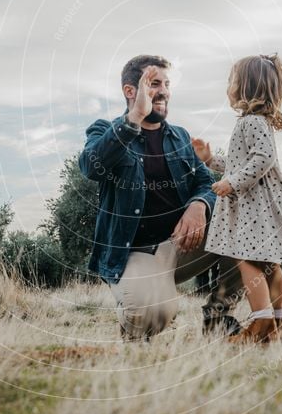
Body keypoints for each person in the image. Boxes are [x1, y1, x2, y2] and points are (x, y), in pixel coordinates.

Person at [79, 54, 243, 341]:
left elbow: (205, 182)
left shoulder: (179, 137)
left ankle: (218, 317)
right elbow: (91, 166)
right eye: (154, 83)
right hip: (135, 253)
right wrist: (134, 119)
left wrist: (199, 204)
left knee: (248, 221)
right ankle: (139, 305)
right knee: (152, 316)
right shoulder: (105, 130)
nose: (165, 90)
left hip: (183, 245)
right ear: (131, 92)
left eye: (167, 83)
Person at [191, 53, 282, 344]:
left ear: (246, 87)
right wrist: (210, 160)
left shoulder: (253, 122)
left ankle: (262, 322)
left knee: (247, 261)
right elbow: (239, 161)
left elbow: (263, 158)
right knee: (270, 265)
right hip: (260, 205)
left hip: (255, 207)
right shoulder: (255, 122)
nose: (228, 86)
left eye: (232, 80)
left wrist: (231, 183)